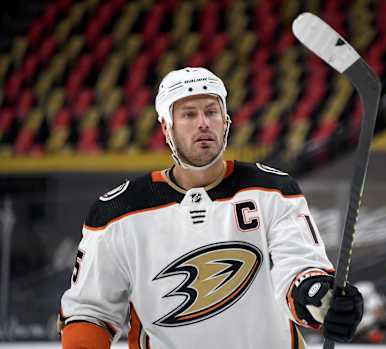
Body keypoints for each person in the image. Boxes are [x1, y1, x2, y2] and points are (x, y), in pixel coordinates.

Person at [57, 67, 363, 348]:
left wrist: (320, 299)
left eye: (211, 112)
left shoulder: (272, 191)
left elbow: (299, 268)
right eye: (189, 114)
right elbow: (89, 311)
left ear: (226, 122)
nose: (203, 123)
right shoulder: (117, 213)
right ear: (166, 127)